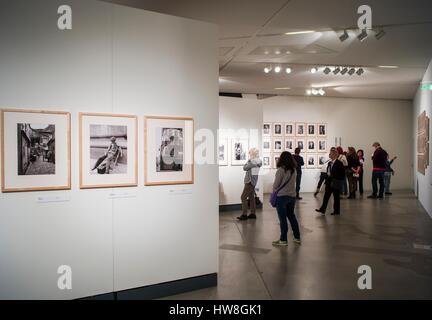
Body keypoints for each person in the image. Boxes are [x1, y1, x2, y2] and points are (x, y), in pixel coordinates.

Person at [271, 151, 301, 246]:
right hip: (292, 197)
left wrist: (274, 190)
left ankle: (283, 239)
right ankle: (297, 237)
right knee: (292, 216)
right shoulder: (293, 170)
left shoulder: (281, 170)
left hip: (282, 197)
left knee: (282, 219)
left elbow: (276, 185)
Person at [315, 149, 346, 215]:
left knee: (336, 197)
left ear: (335, 155)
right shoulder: (329, 163)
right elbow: (328, 172)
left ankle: (336, 211)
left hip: (336, 182)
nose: (329, 155)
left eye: (330, 154)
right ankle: (322, 209)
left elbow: (342, 174)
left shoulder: (339, 163)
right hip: (329, 181)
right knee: (326, 196)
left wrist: (337, 179)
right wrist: (327, 178)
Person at [237, 148, 262, 221]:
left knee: (243, 197)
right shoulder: (258, 161)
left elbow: (244, 168)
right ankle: (253, 213)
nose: (249, 153)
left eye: (250, 152)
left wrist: (248, 161)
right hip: (253, 181)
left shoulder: (252, 161)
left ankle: (244, 214)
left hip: (249, 181)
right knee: (251, 198)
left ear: (253, 153)